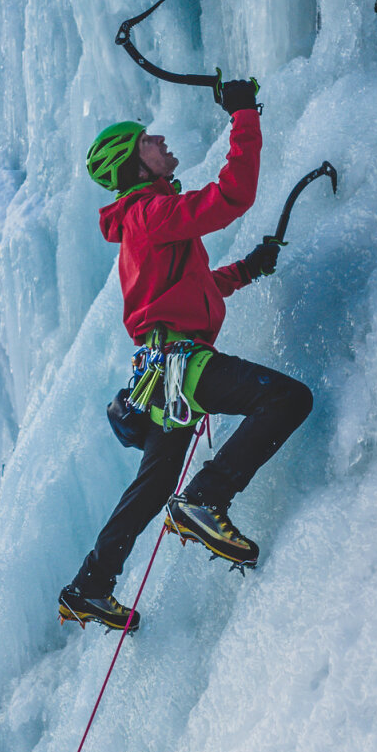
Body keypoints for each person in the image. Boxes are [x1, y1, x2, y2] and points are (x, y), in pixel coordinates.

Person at [59, 79, 313, 632]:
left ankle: (90, 586)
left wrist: (245, 270)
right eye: (149, 139)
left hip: (159, 377)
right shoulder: (151, 213)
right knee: (288, 400)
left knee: (151, 485)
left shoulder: (144, 221)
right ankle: (205, 498)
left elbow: (186, 290)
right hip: (181, 366)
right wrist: (244, 114)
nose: (161, 140)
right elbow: (231, 197)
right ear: (134, 162)